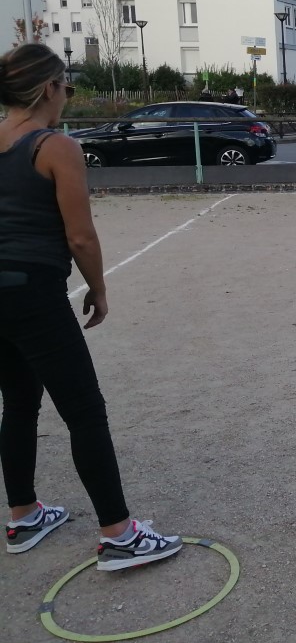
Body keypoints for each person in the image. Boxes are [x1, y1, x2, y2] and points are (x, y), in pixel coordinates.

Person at [0, 44, 181, 569]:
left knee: (19, 403)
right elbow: (80, 237)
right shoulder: (54, 146)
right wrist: (97, 290)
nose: (67, 100)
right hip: (33, 292)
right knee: (84, 411)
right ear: (48, 89)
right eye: (66, 88)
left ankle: (24, 513)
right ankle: (119, 533)